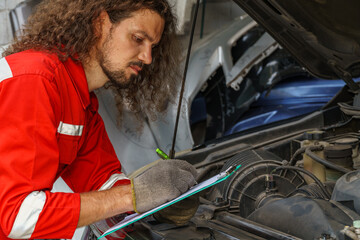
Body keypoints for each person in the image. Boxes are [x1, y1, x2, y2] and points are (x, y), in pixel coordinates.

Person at [0, 0, 198, 239]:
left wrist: (155, 200)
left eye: (152, 46)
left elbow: (102, 181)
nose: (147, 58)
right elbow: (18, 216)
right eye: (138, 38)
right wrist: (131, 197)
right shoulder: (33, 81)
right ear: (100, 24)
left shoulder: (79, 99)